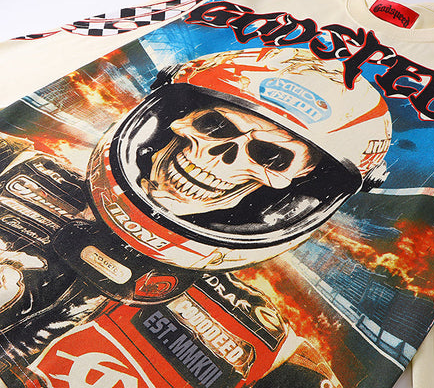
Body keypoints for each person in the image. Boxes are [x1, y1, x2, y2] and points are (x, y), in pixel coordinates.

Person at [0, 47, 391, 387]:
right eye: (215, 126)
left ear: (294, 196)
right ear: (167, 122)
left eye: (270, 156)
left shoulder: (259, 346)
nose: (221, 158)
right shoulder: (13, 165)